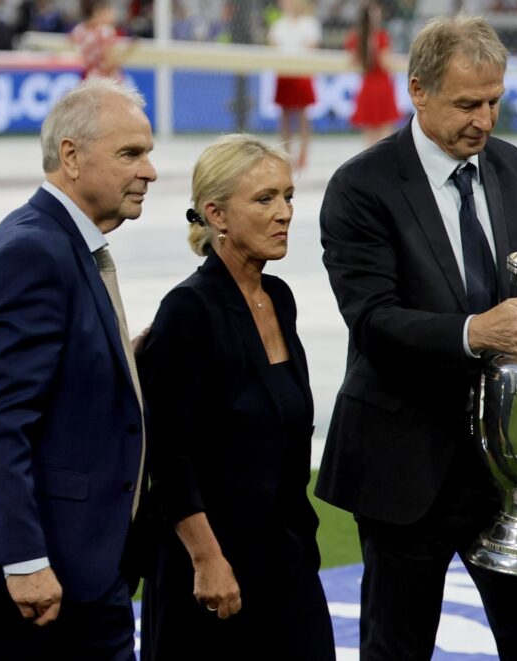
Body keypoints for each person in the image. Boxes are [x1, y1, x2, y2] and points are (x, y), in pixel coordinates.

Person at [316, 15, 517, 660]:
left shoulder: (512, 169)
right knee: (398, 647)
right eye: (467, 104)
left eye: (494, 102)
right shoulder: (362, 187)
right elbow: (372, 319)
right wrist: (475, 331)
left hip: (508, 465)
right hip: (405, 464)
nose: (485, 120)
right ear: (418, 90)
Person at [0, 77, 157, 660]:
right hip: (30, 569)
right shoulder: (33, 253)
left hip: (72, 561)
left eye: (148, 153)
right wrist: (25, 559)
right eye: (130, 154)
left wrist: (123, 363)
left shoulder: (55, 243)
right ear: (71, 156)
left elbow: (49, 377)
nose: (150, 171)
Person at [137, 134, 336, 660]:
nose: (285, 213)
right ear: (216, 214)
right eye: (265, 199)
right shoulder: (188, 310)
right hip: (211, 570)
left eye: (288, 196)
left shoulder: (280, 299)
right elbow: (169, 456)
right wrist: (207, 559)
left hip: (286, 562)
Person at [268, 0, 321, 170]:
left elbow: (312, 47)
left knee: (303, 115)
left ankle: (303, 153)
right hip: (284, 72)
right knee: (284, 114)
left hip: (301, 72)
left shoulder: (309, 23)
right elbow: (274, 47)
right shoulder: (279, 24)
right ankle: (286, 153)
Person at [345, 0, 400, 146]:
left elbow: (353, 61)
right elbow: (385, 64)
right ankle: (384, 165)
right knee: (385, 134)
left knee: (369, 135)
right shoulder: (381, 37)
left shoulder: (355, 38)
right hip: (382, 86)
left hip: (367, 86)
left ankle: (369, 165)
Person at [71, 0, 134, 82]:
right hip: (106, 82)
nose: (113, 14)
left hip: (88, 78)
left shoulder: (79, 29)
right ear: (99, 11)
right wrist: (128, 51)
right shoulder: (105, 31)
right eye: (110, 10)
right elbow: (108, 63)